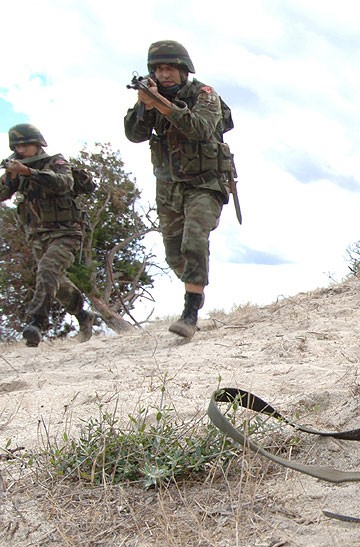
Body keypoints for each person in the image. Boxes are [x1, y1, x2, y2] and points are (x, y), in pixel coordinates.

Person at [124, 40, 232, 338]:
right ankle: (194, 286)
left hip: (206, 183)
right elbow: (134, 134)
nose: (165, 74)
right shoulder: (151, 96)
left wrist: (163, 105)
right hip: (169, 188)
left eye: (170, 68)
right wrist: (144, 106)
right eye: (159, 68)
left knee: (194, 241)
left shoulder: (204, 95)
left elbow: (200, 129)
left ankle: (190, 312)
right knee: (175, 254)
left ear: (184, 70)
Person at [0, 124, 96, 347]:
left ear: (38, 144)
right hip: (38, 235)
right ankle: (83, 317)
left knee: (47, 270)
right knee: (55, 282)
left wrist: (30, 172)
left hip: (66, 232)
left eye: (25, 144)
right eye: (16, 146)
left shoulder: (56, 162)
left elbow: (64, 183)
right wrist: (10, 174)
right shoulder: (16, 169)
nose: (21, 149)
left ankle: (35, 323)